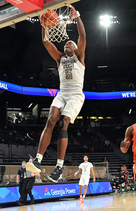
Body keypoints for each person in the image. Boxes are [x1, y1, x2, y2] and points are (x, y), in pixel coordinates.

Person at [26, 9, 86, 183]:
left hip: (75, 95)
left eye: (70, 43)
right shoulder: (60, 58)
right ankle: (38, 160)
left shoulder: (79, 58)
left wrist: (78, 16)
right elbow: (46, 42)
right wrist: (43, 24)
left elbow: (82, 35)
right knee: (50, 121)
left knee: (63, 123)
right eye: (66, 43)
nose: (67, 44)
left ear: (75, 48)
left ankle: (59, 166)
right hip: (62, 93)